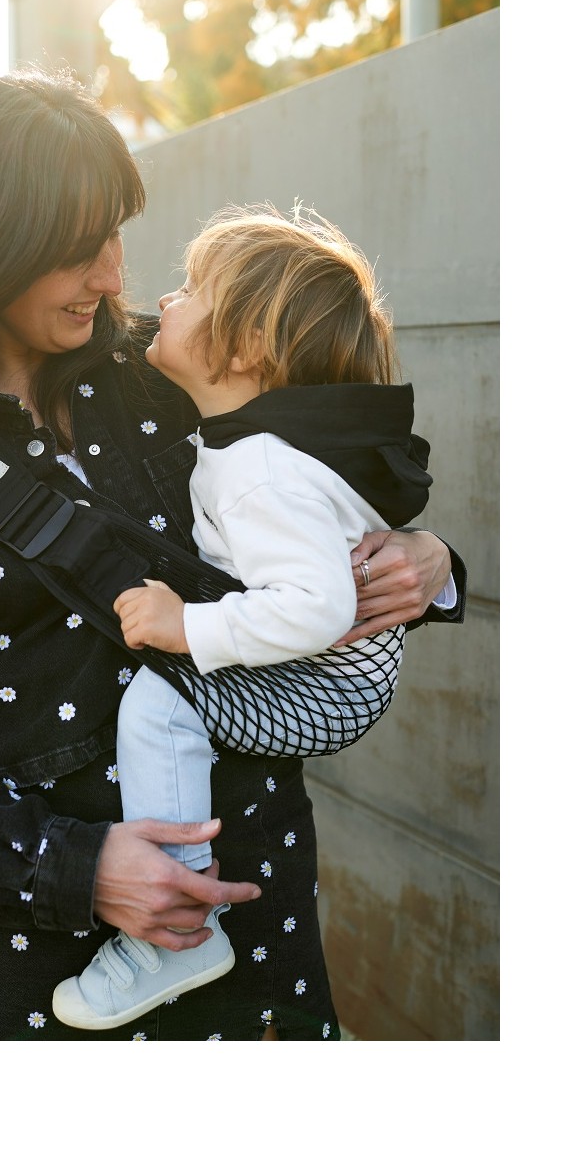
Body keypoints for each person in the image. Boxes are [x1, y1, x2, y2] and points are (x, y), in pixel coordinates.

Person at [0, 68, 463, 1041]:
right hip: (51, 976)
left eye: (113, 233)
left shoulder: (174, 373)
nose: (114, 276)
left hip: (262, 923)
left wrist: (427, 559)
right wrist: (69, 867)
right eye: (79, 248)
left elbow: (331, 494)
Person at [50, 203, 434, 1030]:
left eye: (192, 290)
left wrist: (186, 628)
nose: (166, 298)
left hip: (332, 681)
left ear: (247, 345)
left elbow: (318, 606)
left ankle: (179, 928)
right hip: (331, 667)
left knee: (161, 704)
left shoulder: (260, 467)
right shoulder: (250, 446)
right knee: (171, 700)